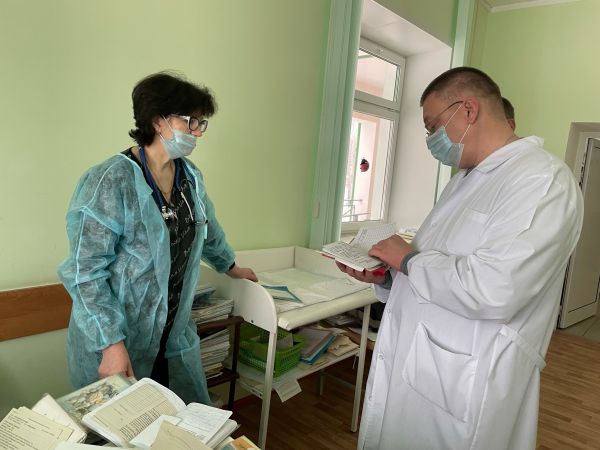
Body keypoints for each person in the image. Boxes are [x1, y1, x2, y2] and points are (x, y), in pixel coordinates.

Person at [336, 67, 583, 449]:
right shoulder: (463, 181)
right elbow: (435, 267)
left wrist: (408, 260)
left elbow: (496, 288)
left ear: (468, 109)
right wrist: (388, 277)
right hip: (421, 365)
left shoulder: (541, 179)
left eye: (433, 126)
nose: (431, 140)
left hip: (465, 380)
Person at [58, 72, 257, 404]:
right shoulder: (109, 181)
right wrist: (110, 343)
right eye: (191, 121)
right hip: (120, 341)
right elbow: (85, 273)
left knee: (180, 419)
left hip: (172, 338)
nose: (198, 132)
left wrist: (231, 266)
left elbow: (207, 229)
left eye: (201, 123)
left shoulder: (190, 177)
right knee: (119, 425)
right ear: (158, 120)